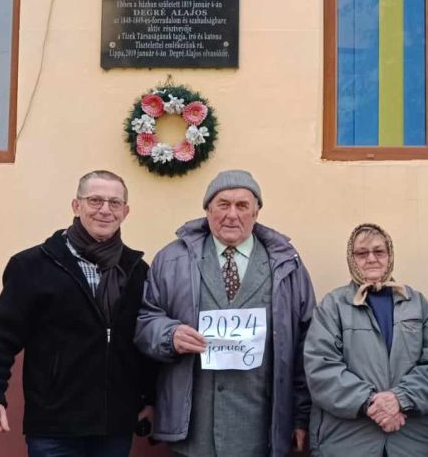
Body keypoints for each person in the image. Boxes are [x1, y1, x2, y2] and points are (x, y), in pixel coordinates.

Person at [134, 169, 316, 457]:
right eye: (223, 204)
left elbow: (307, 343)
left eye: (242, 205)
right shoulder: (171, 260)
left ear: (256, 212)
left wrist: (300, 416)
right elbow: (145, 321)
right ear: (207, 210)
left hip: (260, 430)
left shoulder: (286, 265)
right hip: (194, 430)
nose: (232, 215)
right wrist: (170, 335)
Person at [0, 170, 154, 457]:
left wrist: (149, 398)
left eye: (114, 203)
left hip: (114, 427)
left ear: (125, 211)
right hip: (54, 427)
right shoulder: (32, 265)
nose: (105, 210)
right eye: (95, 200)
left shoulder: (136, 270)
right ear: (76, 206)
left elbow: (142, 340)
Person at [304, 223, 428, 456]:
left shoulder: (417, 304)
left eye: (379, 252)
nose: (371, 259)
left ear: (390, 255)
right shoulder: (333, 306)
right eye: (362, 253)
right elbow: (321, 368)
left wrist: (400, 399)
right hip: (347, 442)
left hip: (408, 441)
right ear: (351, 259)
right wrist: (370, 401)